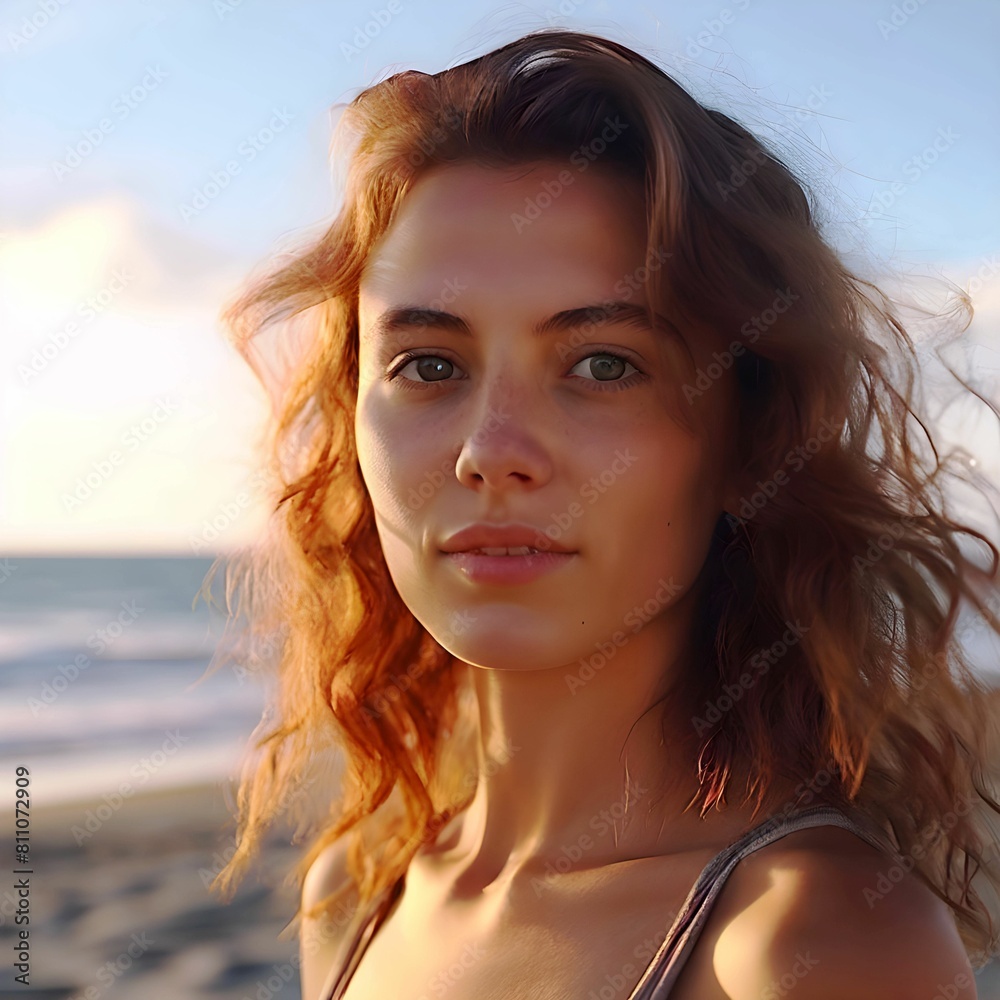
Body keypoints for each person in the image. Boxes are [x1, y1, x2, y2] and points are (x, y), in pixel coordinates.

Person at [200, 27, 1000, 999]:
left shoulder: (807, 948)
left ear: (746, 441)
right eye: (428, 365)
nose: (489, 450)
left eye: (602, 364)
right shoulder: (355, 896)